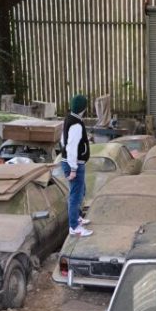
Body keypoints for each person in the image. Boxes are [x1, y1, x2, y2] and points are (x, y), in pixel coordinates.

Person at [61, 93, 92, 236]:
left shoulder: (69, 119)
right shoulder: (76, 124)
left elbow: (63, 141)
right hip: (74, 164)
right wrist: (73, 168)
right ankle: (74, 227)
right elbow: (71, 147)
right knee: (75, 195)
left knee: (81, 191)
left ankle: (77, 217)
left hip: (71, 162)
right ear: (83, 109)